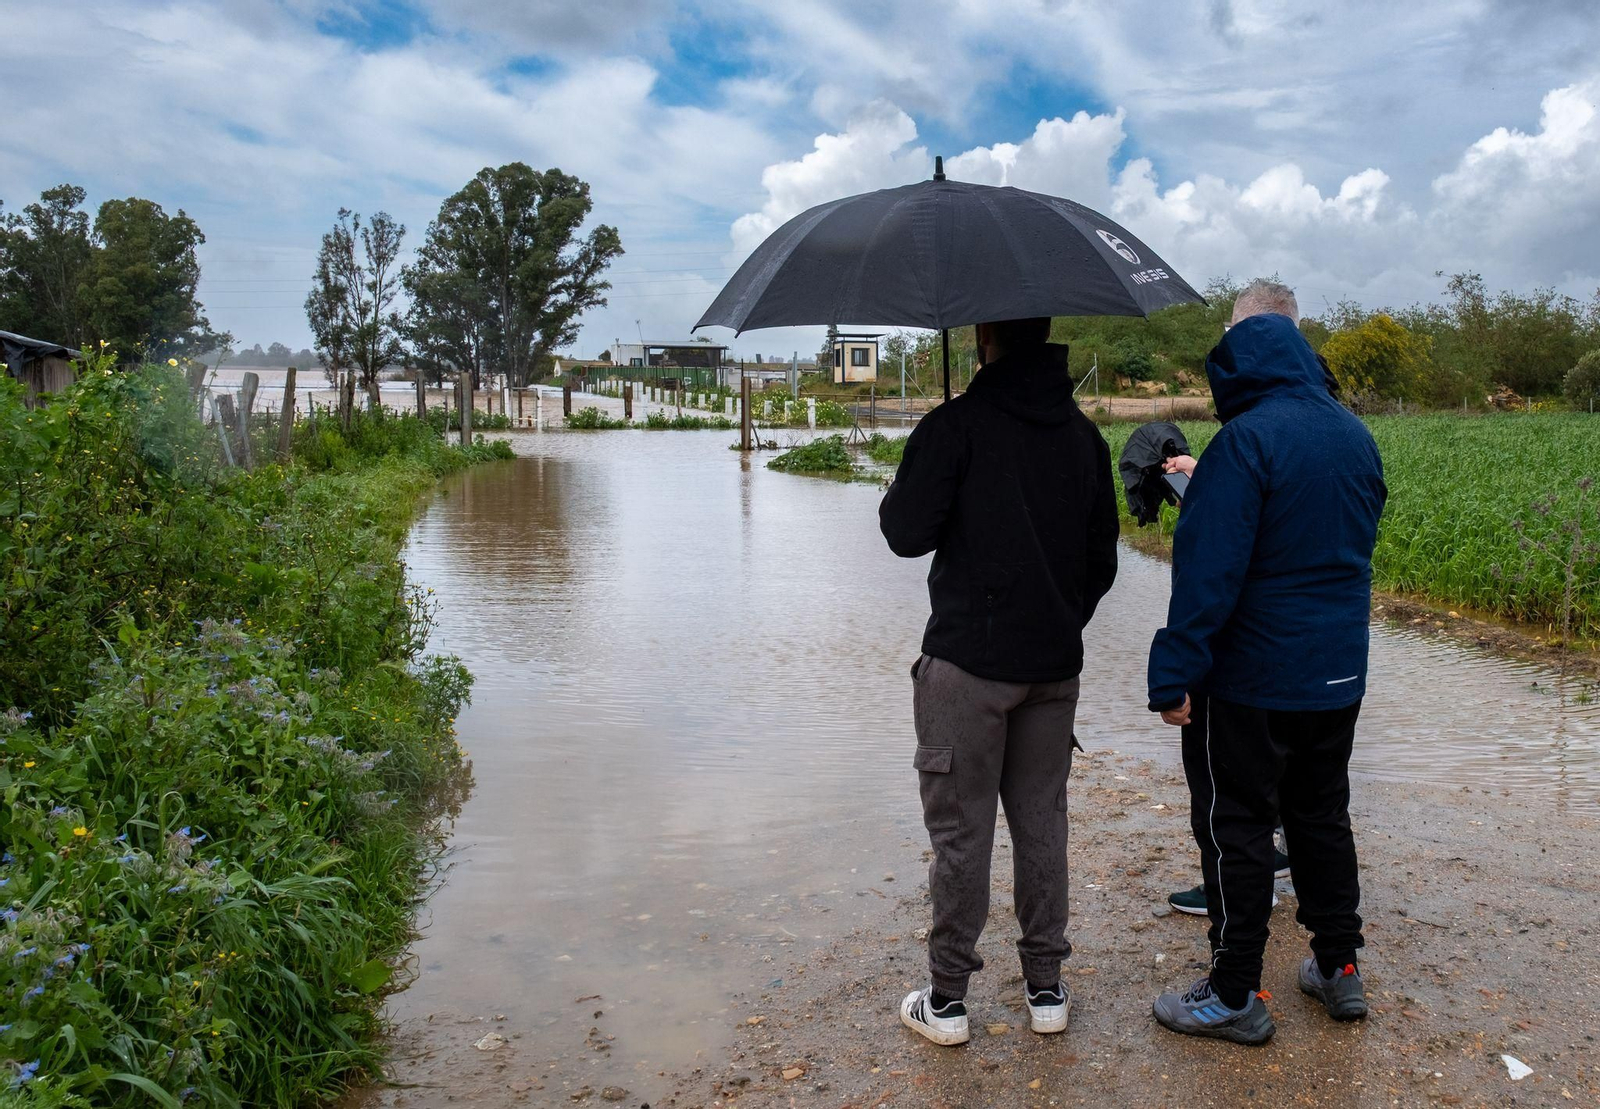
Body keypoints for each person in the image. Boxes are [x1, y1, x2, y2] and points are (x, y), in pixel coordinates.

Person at [1146, 280, 1387, 1044]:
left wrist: (1173, 673)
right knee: (1321, 814)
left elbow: (1208, 572)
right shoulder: (1355, 435)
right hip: (1339, 670)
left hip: (1252, 679)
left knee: (1238, 824)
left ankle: (1230, 990)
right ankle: (1337, 966)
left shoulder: (1244, 442)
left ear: (1240, 357)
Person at [879, 316, 1119, 1046]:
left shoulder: (956, 425)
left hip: (966, 672)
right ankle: (1046, 989)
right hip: (1054, 668)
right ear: (1043, 334)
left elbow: (902, 531)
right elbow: (1101, 562)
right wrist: (1052, 621)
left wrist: (931, 453)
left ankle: (947, 999)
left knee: (963, 830)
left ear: (983, 333)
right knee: (1041, 819)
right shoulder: (1083, 438)